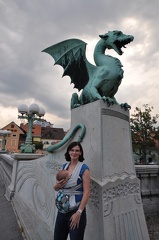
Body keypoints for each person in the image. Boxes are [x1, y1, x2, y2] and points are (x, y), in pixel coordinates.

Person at [53, 141, 90, 240]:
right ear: (68, 152)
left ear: (80, 153)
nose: (74, 152)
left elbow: (86, 192)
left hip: (75, 212)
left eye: (77, 150)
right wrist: (57, 185)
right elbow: (56, 188)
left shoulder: (84, 169)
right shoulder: (64, 167)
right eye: (72, 150)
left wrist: (79, 213)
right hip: (62, 211)